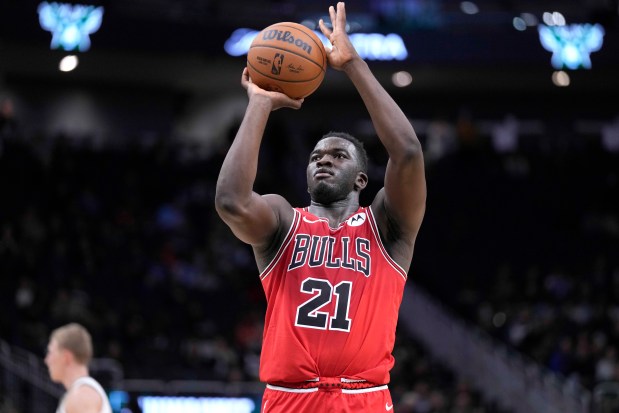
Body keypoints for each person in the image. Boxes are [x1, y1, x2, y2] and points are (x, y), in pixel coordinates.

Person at [215, 2, 426, 412]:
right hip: (290, 398)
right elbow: (231, 202)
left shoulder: (387, 227)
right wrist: (259, 102)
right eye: (315, 157)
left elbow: (409, 153)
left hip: (362, 398)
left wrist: (353, 65)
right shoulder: (281, 221)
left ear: (363, 180)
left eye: (337, 156)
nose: (323, 159)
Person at [44, 323, 113, 413]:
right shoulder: (80, 392)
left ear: (66, 357)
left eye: (50, 352)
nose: (46, 360)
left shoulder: (81, 395)